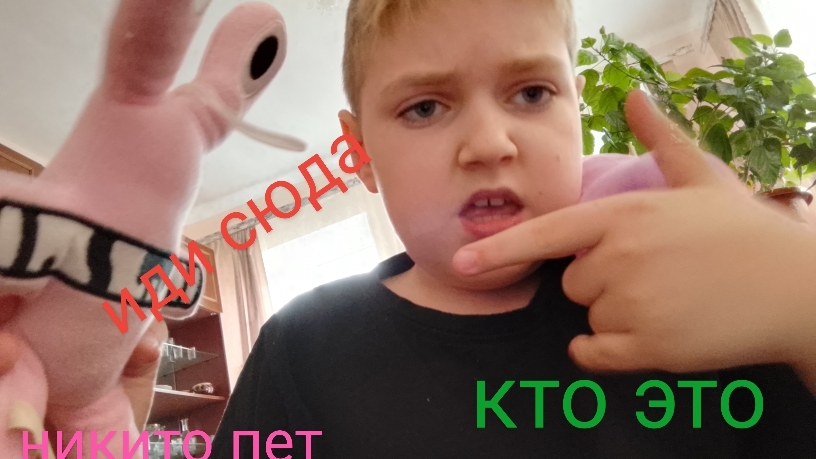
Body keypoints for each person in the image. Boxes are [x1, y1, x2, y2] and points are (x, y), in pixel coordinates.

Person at [198, 0, 816, 457]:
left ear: (576, 109)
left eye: (531, 94)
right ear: (361, 153)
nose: (490, 143)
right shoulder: (301, 350)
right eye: (424, 107)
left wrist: (799, 299)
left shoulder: (682, 286)